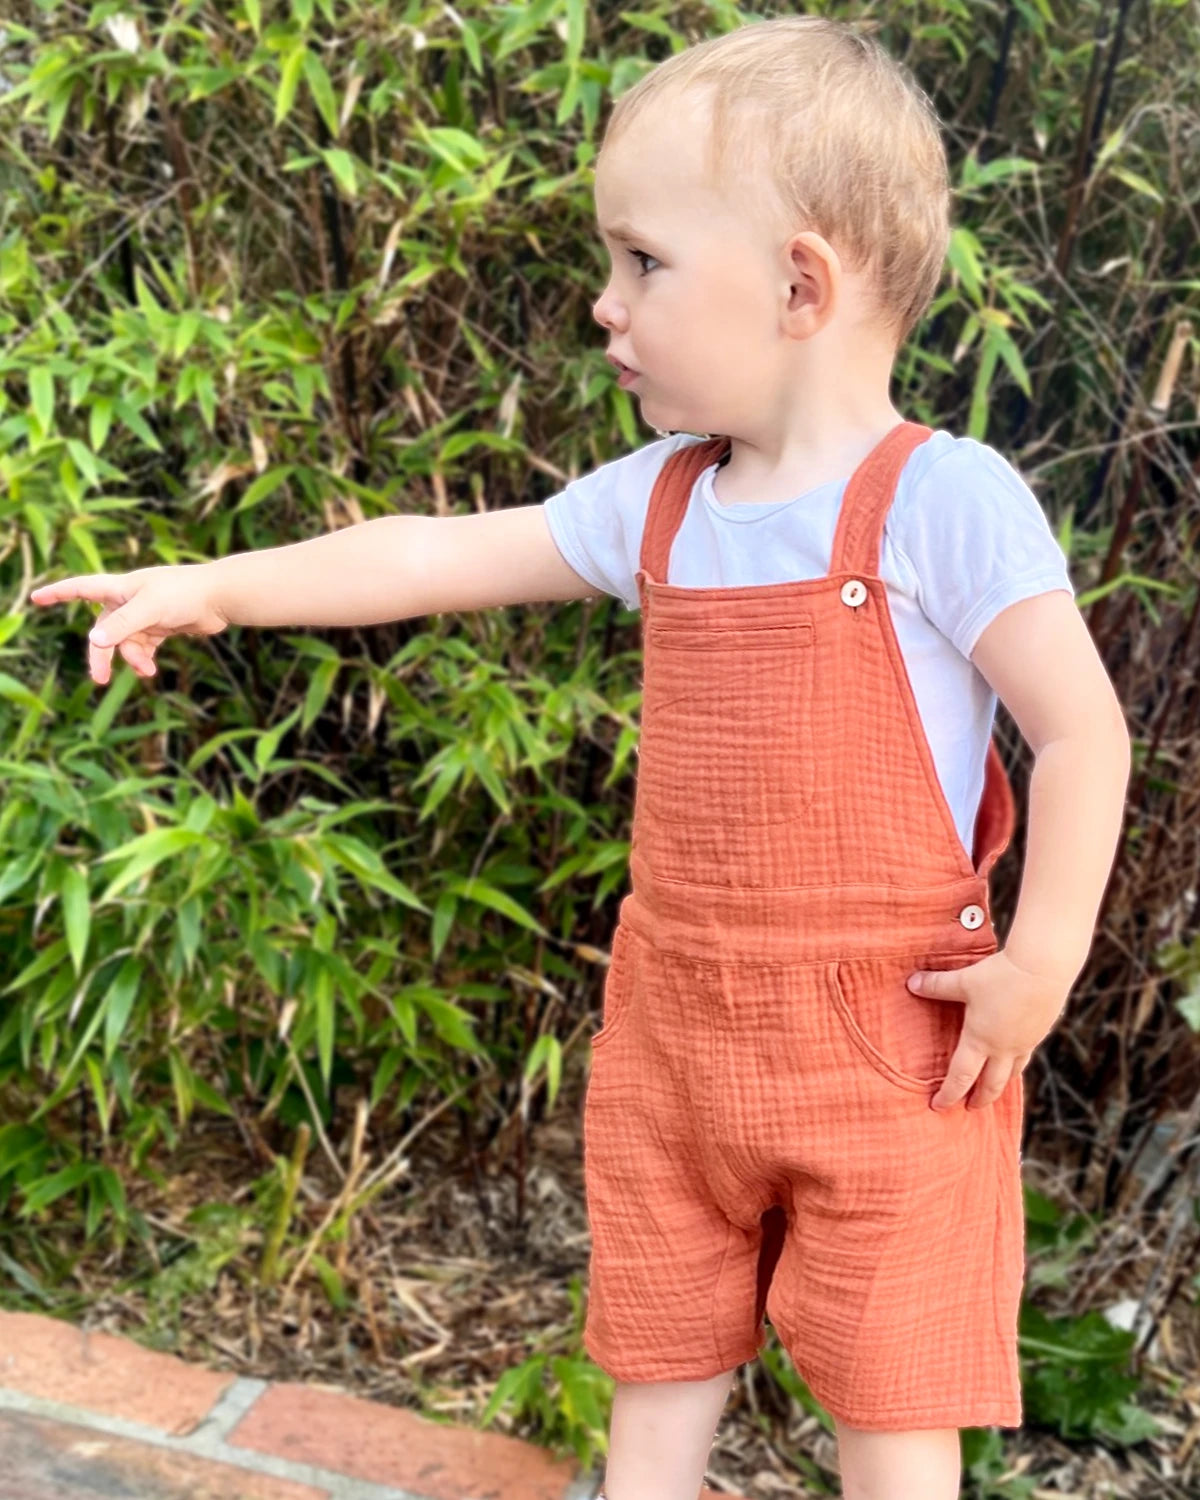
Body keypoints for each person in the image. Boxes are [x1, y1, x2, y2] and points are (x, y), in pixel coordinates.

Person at [28, 15, 1131, 1500]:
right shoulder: (665, 500)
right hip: (677, 1027)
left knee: (892, 1387)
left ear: (801, 285)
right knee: (660, 1345)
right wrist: (215, 586)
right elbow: (430, 553)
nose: (605, 304)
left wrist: (1041, 961)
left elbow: (1080, 729)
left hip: (894, 1049)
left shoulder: (942, 503)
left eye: (643, 262)